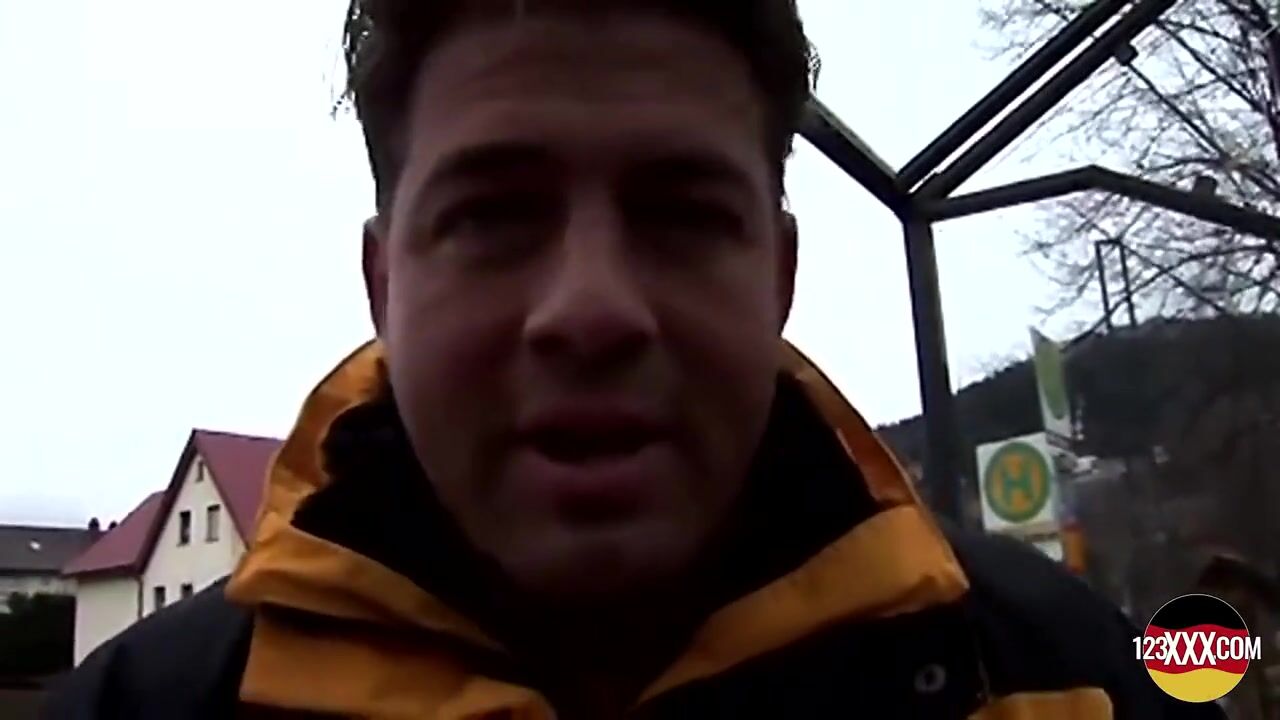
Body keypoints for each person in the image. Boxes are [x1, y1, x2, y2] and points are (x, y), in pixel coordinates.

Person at [46, 1, 1224, 718]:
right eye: (495, 214)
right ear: (382, 284)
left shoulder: (1074, 685)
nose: (591, 311)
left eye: (680, 213)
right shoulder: (142, 709)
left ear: (778, 278)